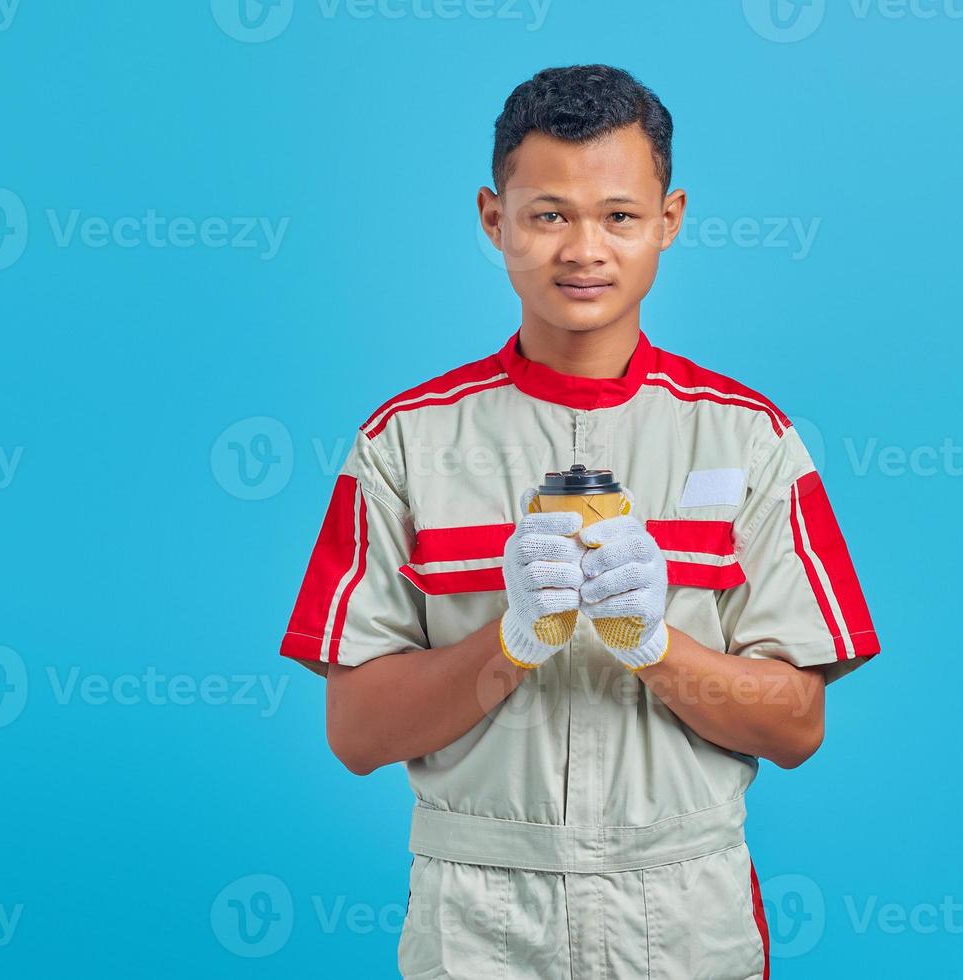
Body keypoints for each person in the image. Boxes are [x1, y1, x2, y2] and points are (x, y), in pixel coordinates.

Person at [280, 64, 881, 980]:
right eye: (548, 213)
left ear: (670, 219)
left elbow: (797, 728)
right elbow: (357, 734)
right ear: (494, 219)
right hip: (479, 920)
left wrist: (655, 646)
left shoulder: (749, 438)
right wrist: (513, 642)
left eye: (620, 215)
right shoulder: (406, 443)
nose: (583, 249)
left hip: (684, 917)